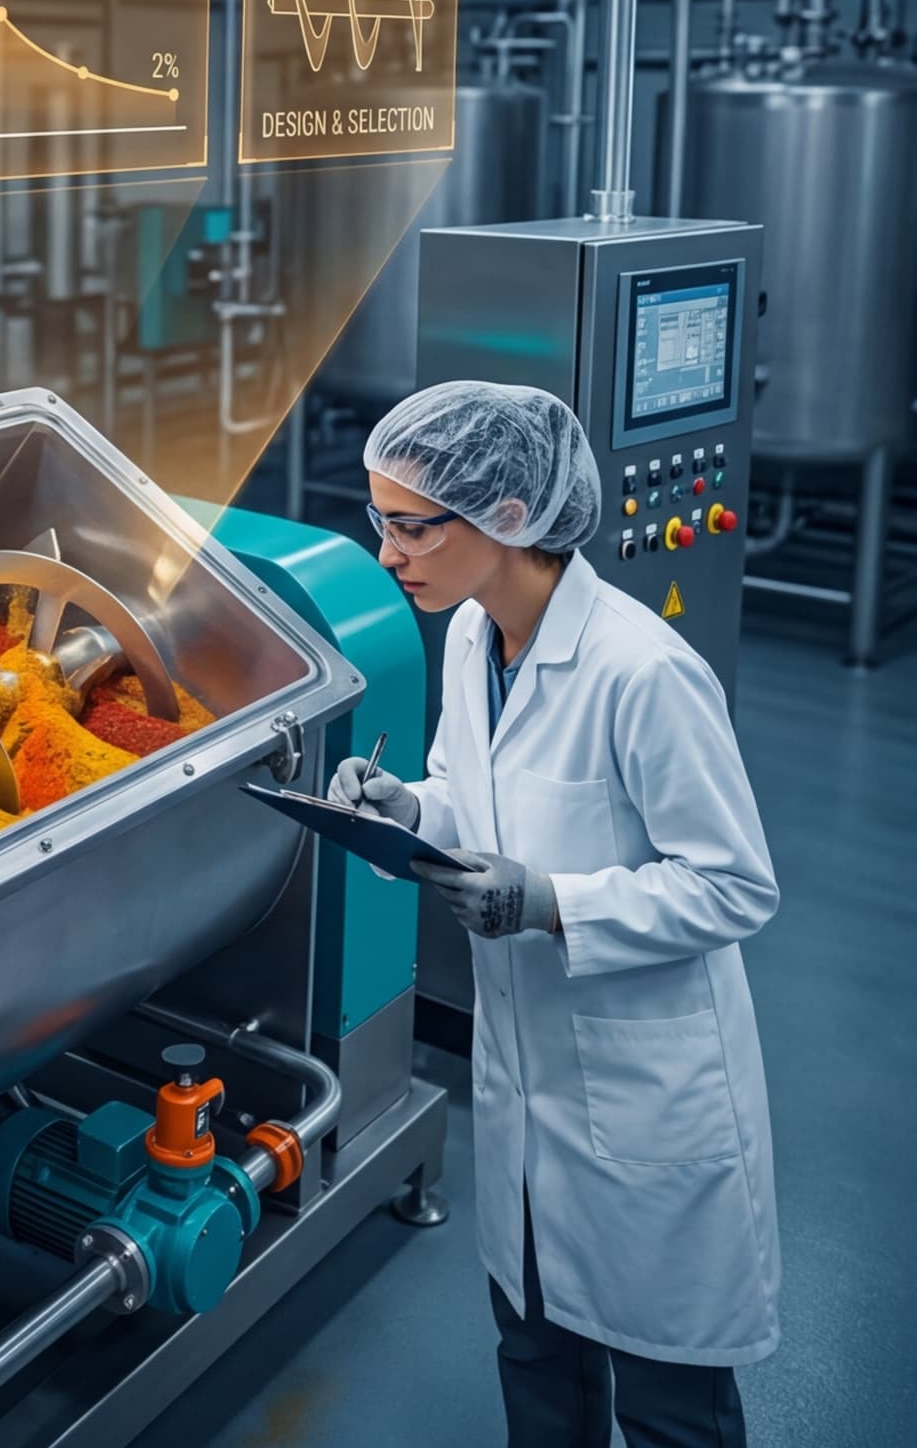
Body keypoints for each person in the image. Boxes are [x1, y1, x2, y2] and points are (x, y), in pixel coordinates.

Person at [331, 379, 779, 1448]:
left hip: (644, 1095)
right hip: (528, 1081)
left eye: (410, 527)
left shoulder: (642, 671)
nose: (388, 554)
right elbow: (471, 790)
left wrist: (549, 904)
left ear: (508, 515)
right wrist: (409, 809)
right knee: (535, 1361)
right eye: (379, 521)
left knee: (670, 1407)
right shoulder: (471, 637)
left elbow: (733, 883)